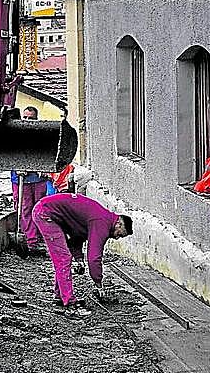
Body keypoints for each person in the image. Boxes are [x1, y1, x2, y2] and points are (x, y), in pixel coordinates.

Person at [31, 193, 134, 317]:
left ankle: (60, 296)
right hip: (45, 213)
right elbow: (94, 258)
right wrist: (98, 283)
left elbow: (77, 235)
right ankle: (70, 304)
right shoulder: (102, 222)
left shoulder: (103, 218)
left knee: (63, 258)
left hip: (47, 210)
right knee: (63, 258)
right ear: (119, 224)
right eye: (120, 234)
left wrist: (79, 258)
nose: (117, 238)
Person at [11, 106, 51, 253]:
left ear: (36, 119)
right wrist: (17, 166)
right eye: (25, 117)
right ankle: (31, 242)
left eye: (31, 118)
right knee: (25, 210)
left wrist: (44, 168)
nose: (27, 121)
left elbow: (47, 153)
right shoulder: (15, 134)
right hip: (21, 179)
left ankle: (40, 238)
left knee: (40, 209)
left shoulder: (42, 134)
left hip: (38, 179)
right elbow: (9, 154)